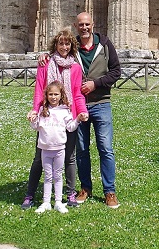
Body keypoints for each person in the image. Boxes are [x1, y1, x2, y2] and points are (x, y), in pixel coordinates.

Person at [39, 11, 122, 208]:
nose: (84, 27)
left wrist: (96, 84)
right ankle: (85, 188)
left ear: (92, 24)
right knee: (82, 150)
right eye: (80, 25)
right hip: (78, 107)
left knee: (106, 148)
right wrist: (43, 56)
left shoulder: (105, 44)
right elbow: (57, 54)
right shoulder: (72, 47)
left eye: (87, 24)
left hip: (101, 103)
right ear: (76, 26)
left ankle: (109, 191)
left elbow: (116, 71)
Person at [21, 30, 87, 210]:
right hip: (47, 115)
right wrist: (36, 110)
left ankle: (70, 193)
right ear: (55, 45)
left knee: (69, 158)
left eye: (67, 44)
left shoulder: (75, 67)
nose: (64, 47)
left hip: (67, 114)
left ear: (72, 46)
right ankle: (30, 194)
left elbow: (77, 93)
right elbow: (39, 90)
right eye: (61, 44)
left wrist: (81, 112)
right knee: (38, 159)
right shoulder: (45, 63)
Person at [29, 81, 88, 213]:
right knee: (48, 176)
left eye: (56, 94)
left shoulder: (64, 111)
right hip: (45, 149)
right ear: (46, 95)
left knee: (58, 175)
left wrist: (78, 119)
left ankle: (58, 202)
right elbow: (35, 127)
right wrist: (32, 119)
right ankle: (45, 202)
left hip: (60, 149)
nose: (53, 97)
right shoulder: (42, 111)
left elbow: (70, 127)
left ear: (61, 95)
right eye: (50, 94)